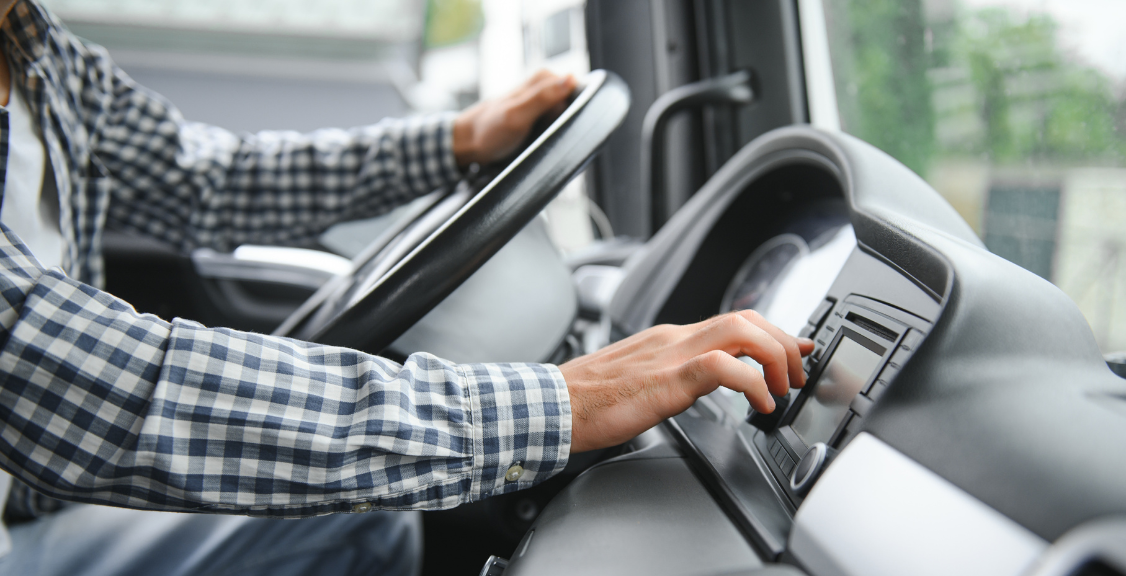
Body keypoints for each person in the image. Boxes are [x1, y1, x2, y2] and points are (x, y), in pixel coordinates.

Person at [0, 1, 813, 575]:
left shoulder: (33, 43)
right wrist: (559, 404)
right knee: (366, 527)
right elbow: (86, 381)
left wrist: (454, 141)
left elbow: (202, 178)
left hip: (33, 508)